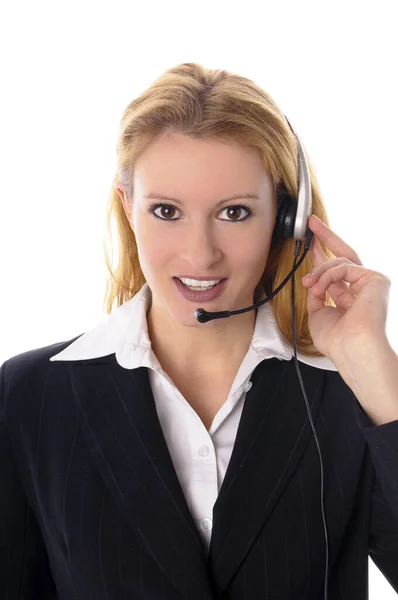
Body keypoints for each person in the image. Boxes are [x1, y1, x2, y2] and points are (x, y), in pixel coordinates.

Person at [1, 62, 398, 599]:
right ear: (128, 208)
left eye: (234, 212)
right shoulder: (31, 395)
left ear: (287, 219)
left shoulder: (350, 390)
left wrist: (376, 369)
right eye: (166, 210)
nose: (200, 254)